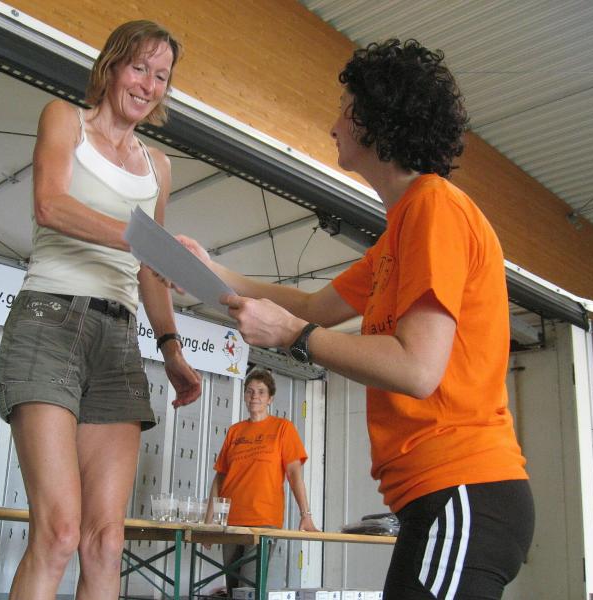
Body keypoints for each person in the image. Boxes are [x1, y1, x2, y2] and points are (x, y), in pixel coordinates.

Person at [175, 39, 534, 599]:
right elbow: (313, 307)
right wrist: (212, 272)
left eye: (346, 108)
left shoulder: (434, 207)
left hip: (463, 486)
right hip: (440, 495)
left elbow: (417, 368)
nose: (333, 123)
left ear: (378, 120)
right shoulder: (399, 233)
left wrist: (294, 337)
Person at [0, 20, 201, 600]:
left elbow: (150, 270)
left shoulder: (159, 167)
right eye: (139, 68)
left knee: (106, 542)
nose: (148, 85)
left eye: (161, 76)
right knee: (59, 533)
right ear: (112, 66)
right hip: (49, 322)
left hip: (118, 339)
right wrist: (145, 240)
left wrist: (172, 348)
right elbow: (50, 204)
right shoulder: (65, 119)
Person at [205, 368, 317, 594]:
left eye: (261, 392)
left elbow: (294, 474)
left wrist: (305, 514)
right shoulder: (235, 431)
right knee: (234, 589)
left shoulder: (283, 428)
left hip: (263, 520)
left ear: (270, 399)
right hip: (231, 521)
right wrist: (208, 523)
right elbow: (220, 477)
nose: (254, 396)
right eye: (250, 391)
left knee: (248, 589)